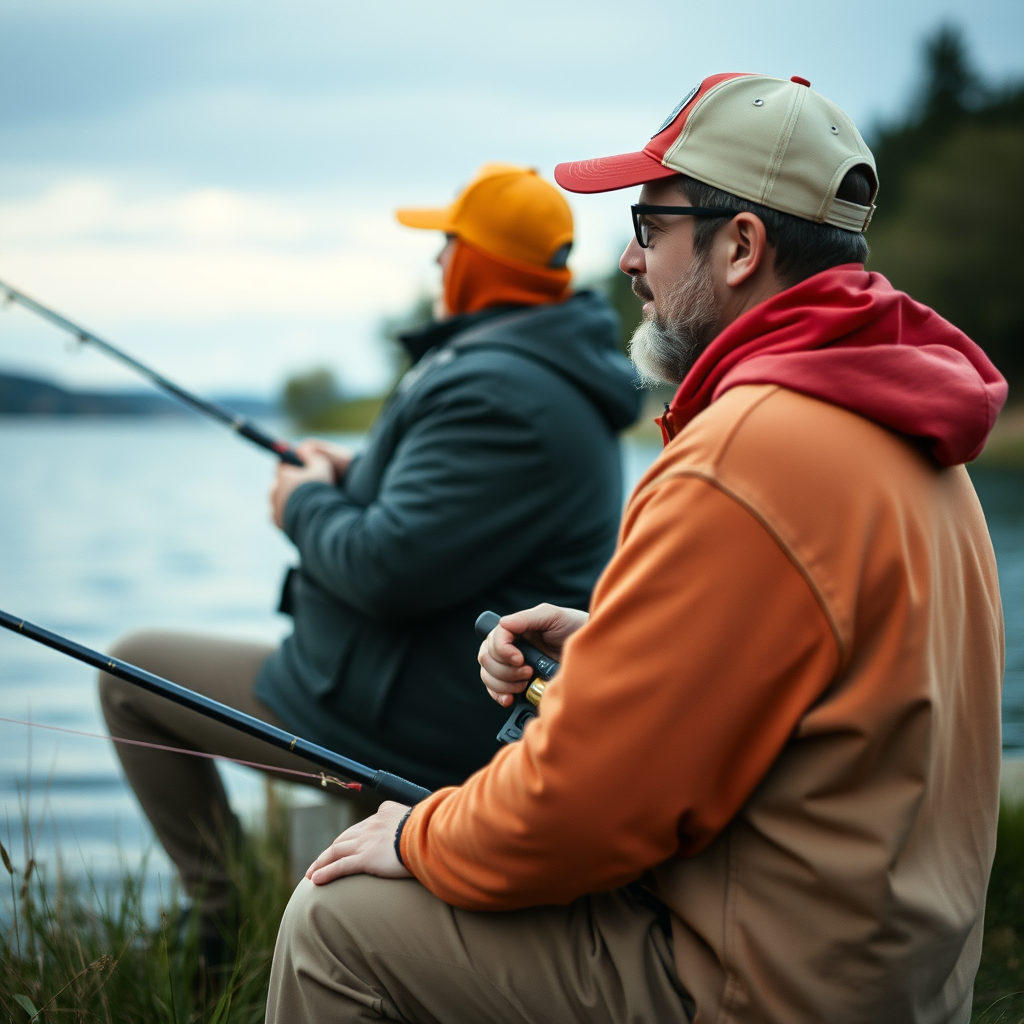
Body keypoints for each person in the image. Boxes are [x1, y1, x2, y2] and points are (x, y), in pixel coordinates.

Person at [265, 73, 1007, 1023]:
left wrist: (420, 835)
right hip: (893, 976)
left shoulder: (743, 451)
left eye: (651, 223)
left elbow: (584, 813)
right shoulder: (910, 434)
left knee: (338, 922)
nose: (626, 257)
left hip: (767, 986)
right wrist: (620, 645)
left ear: (741, 246)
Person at [98, 163, 640, 951]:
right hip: (403, 689)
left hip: (399, 718)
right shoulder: (531, 369)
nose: (434, 265)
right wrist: (355, 474)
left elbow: (386, 568)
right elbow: (455, 511)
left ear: (473, 264)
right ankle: (269, 917)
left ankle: (222, 923)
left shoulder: (499, 390)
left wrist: (301, 504)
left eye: (445, 246)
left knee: (130, 675)